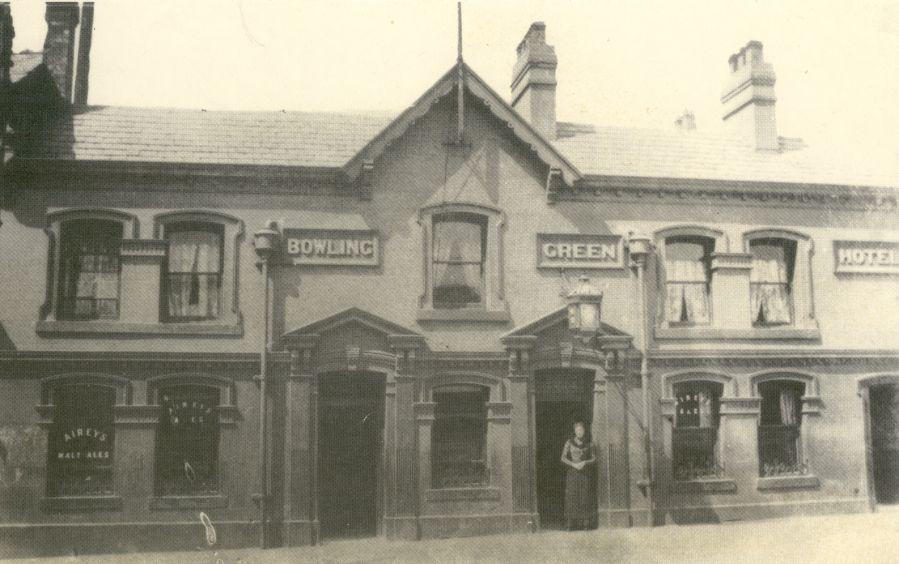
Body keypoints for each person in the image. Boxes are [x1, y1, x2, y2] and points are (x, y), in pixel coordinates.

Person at [561, 421, 595, 530]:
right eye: (577, 430)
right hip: (572, 473)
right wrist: (573, 464)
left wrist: (585, 462)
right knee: (572, 497)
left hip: (584, 473)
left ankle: (585, 524)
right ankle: (570, 524)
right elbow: (563, 458)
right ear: (575, 431)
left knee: (584, 496)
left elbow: (594, 458)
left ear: (584, 431)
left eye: (581, 430)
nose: (579, 432)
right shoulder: (569, 442)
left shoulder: (589, 443)